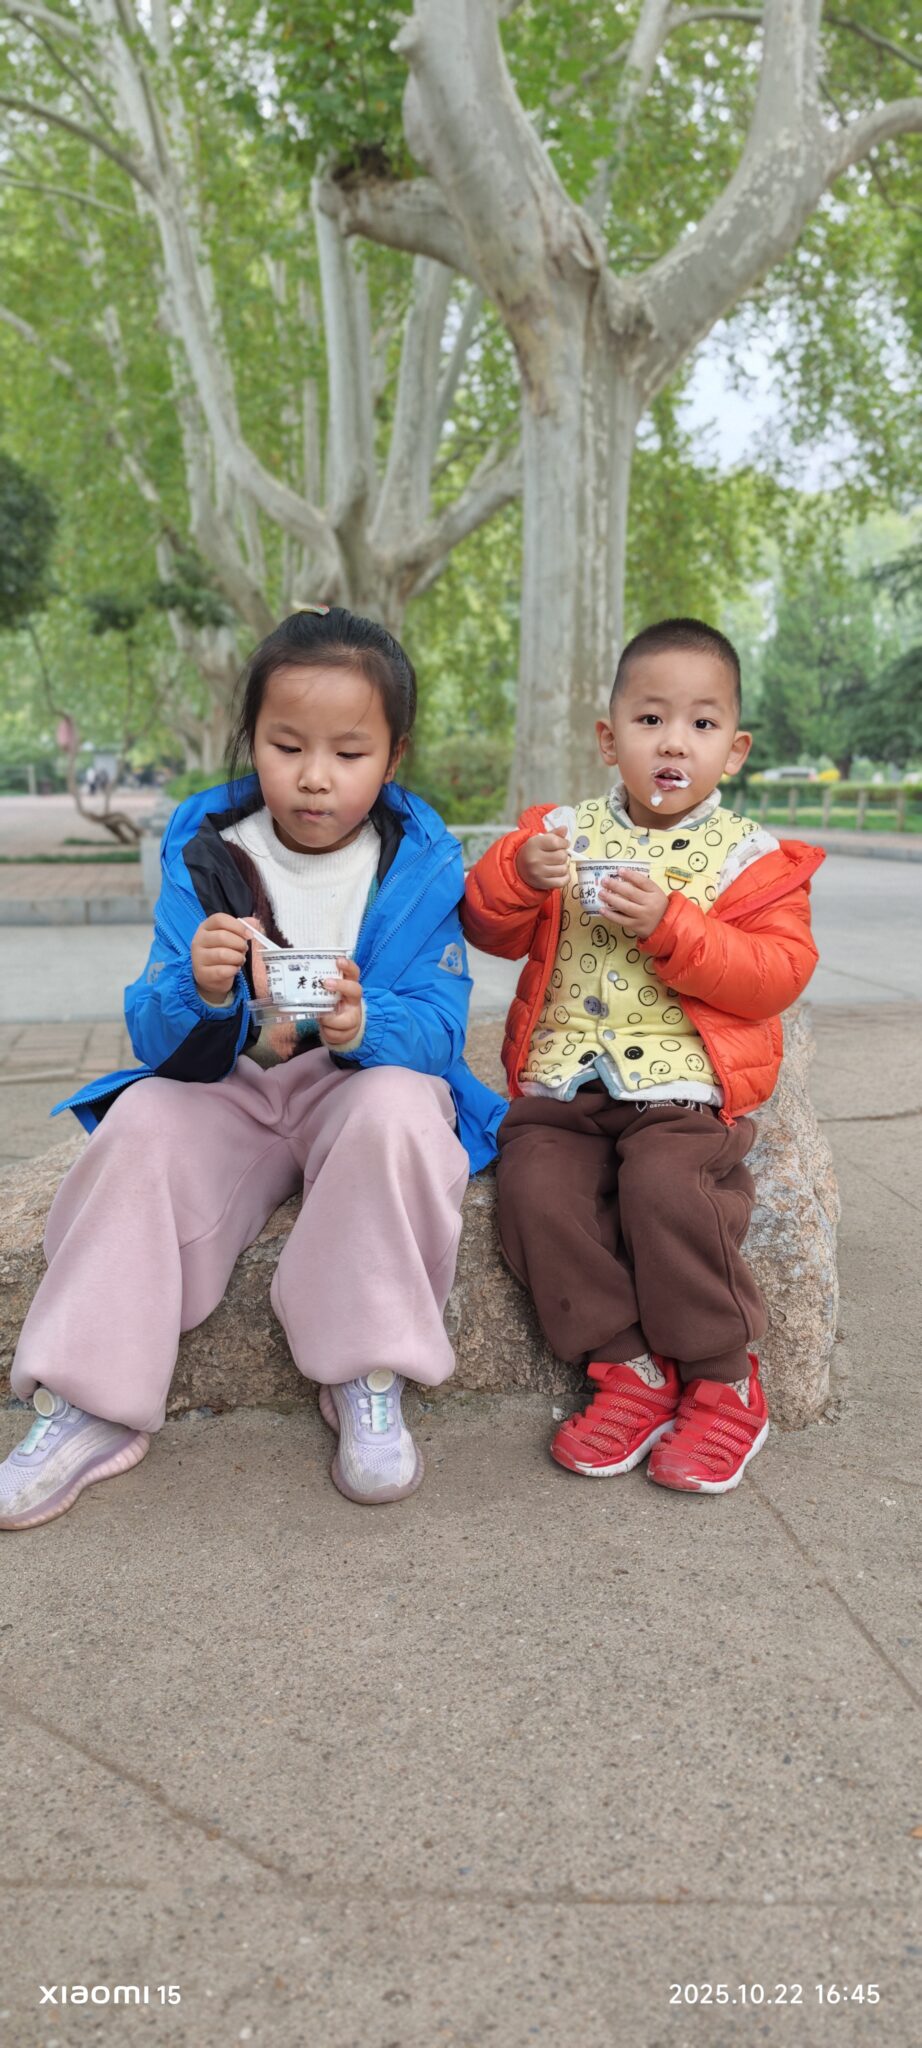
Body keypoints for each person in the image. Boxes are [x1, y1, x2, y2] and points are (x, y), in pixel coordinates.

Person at [1, 606, 504, 1529]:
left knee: (401, 1107)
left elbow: (440, 1029)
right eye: (286, 745)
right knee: (141, 1122)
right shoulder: (208, 846)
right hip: (231, 1088)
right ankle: (86, 1398)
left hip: (352, 1088)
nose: (314, 777)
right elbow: (152, 1028)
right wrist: (198, 989)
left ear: (394, 758)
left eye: (349, 753)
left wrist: (368, 1023)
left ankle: (366, 1369)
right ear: (251, 738)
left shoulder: (422, 860)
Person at [462, 617, 824, 1495]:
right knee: (534, 1187)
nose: (673, 742)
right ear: (608, 739)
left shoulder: (751, 861)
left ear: (733, 751)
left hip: (682, 1089)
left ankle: (724, 1377)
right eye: (650, 719)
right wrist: (516, 875)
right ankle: (625, 1366)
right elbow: (485, 924)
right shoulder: (558, 833)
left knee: (668, 1189)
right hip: (566, 1080)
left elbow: (776, 974)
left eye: (702, 724)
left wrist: (673, 926)